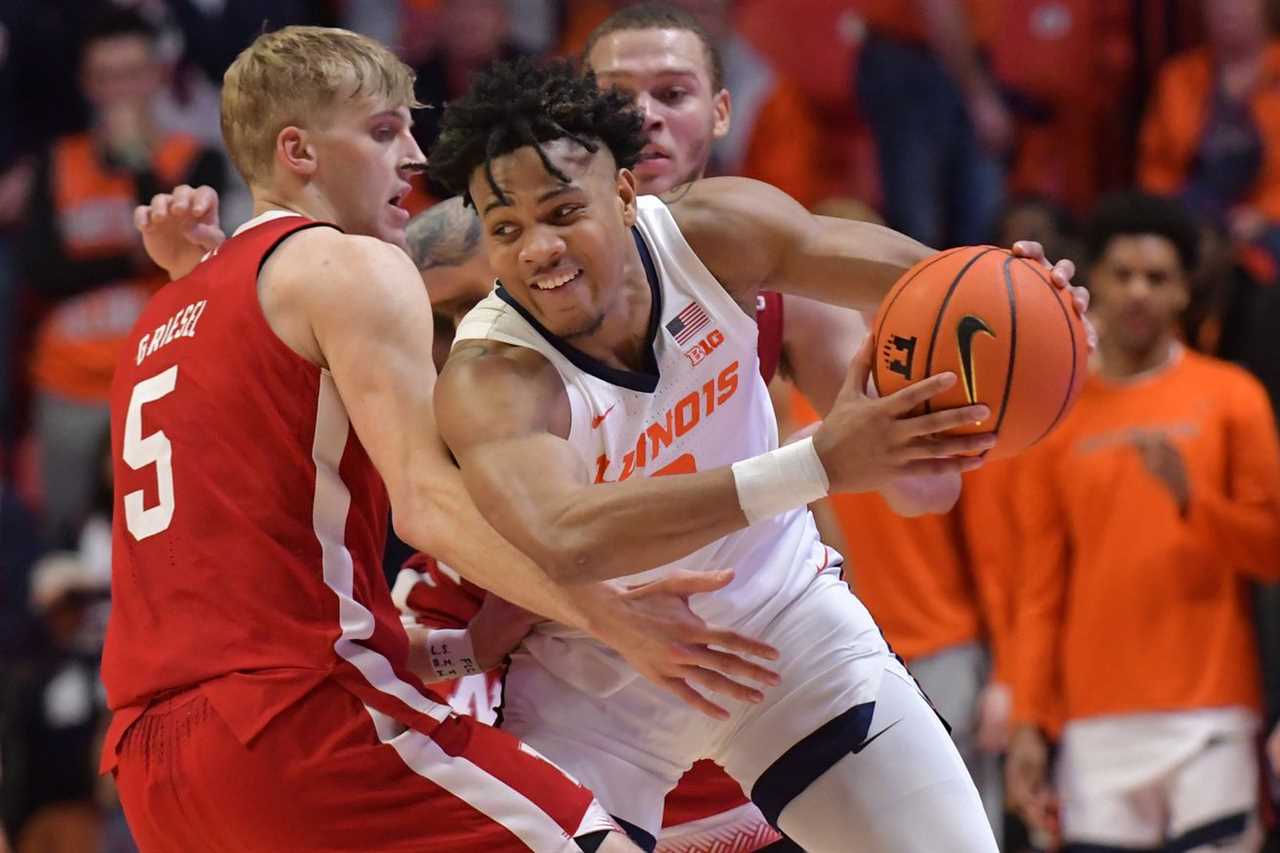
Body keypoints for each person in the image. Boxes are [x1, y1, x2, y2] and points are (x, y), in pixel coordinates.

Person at [104, 25, 791, 853]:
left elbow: (245, 577)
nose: (415, 156)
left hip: (156, 765)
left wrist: (462, 647)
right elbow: (427, 506)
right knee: (584, 835)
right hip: (300, 724)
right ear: (299, 150)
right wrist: (608, 615)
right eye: (385, 130)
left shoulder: (157, 325)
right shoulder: (351, 264)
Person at [424, 55, 1086, 852]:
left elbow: (928, 285)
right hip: (598, 679)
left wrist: (1028, 296)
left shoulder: (717, 234)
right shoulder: (493, 375)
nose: (537, 249)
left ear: (628, 194)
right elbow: (570, 536)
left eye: (563, 212)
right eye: (506, 230)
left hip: (783, 623)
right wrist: (815, 468)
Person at [1005, 192, 1280, 852]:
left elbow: (1273, 552)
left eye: (1157, 278)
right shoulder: (1056, 418)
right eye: (1122, 273)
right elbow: (1039, 586)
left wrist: (1195, 501)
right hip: (1097, 719)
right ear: (1093, 281)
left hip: (1211, 714)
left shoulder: (1231, 397)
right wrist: (1026, 719)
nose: (1137, 292)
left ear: (1185, 291)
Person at [19, 7, 225, 547]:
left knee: (168, 541)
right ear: (88, 84)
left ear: (158, 74)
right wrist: (132, 257)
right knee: (60, 543)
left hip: (160, 379)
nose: (121, 92)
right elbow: (41, 270)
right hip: (67, 379)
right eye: (108, 78)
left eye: (133, 74)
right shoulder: (57, 161)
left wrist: (136, 158)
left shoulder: (195, 163)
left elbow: (194, 262)